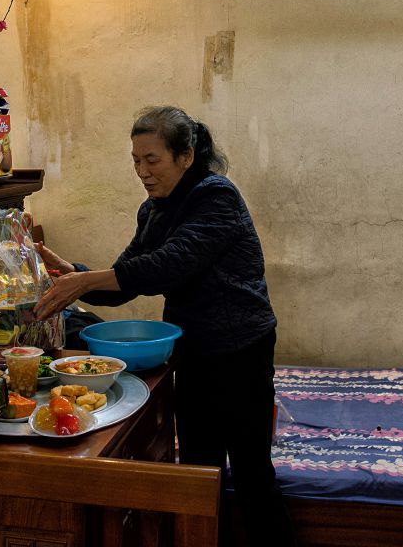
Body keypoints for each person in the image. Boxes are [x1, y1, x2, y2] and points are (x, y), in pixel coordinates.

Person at [32, 105, 294, 547]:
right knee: (197, 470)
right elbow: (128, 276)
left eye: (152, 160)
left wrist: (85, 280)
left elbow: (169, 265)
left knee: (251, 472)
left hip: (239, 350)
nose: (142, 171)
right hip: (191, 351)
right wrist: (73, 276)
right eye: (135, 160)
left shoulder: (216, 197)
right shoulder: (155, 208)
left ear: (186, 156)